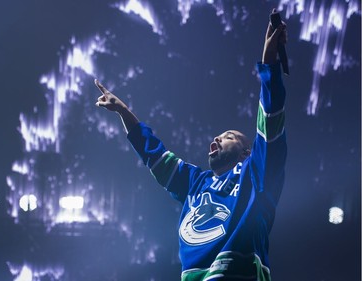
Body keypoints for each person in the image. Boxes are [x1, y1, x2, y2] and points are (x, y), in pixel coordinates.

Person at [94, 12, 287, 281]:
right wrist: (124, 112)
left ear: (247, 153)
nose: (218, 138)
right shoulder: (196, 183)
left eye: (229, 136)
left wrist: (269, 64)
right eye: (218, 136)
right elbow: (156, 156)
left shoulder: (254, 174)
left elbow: (269, 124)